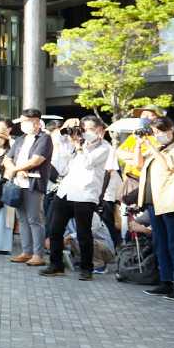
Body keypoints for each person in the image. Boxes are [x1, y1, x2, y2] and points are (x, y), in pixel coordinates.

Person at [40, 116, 117, 281]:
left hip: (85, 194)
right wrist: (68, 127)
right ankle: (56, 265)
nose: (84, 133)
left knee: (84, 233)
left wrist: (78, 146)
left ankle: (87, 268)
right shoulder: (78, 144)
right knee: (55, 230)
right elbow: (60, 145)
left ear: (100, 130)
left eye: (88, 129)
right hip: (65, 192)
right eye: (83, 129)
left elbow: (87, 162)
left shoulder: (105, 148)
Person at [132, 116, 174, 300]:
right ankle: (165, 281)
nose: (158, 136)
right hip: (154, 201)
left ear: (171, 128)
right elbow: (138, 164)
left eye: (161, 131)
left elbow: (168, 166)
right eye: (155, 133)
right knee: (160, 243)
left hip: (171, 201)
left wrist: (151, 145)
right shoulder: (159, 148)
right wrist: (139, 144)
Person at [4, 108, 53, 266]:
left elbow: (36, 161)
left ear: (37, 121)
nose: (23, 124)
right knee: (22, 219)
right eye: (22, 121)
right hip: (18, 183)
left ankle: (39, 255)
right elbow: (7, 158)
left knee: (34, 218)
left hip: (34, 183)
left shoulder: (44, 139)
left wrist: (16, 169)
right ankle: (27, 251)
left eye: (26, 121)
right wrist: (15, 170)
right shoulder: (20, 140)